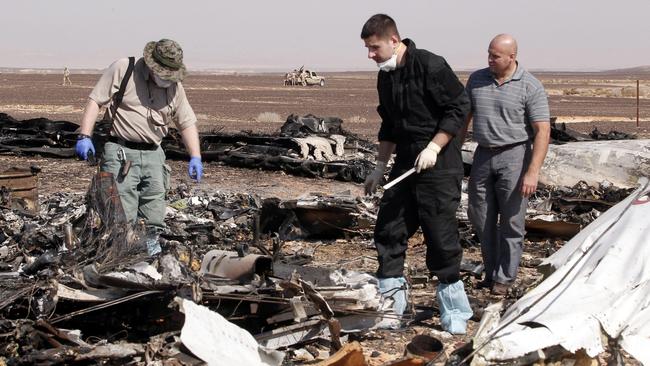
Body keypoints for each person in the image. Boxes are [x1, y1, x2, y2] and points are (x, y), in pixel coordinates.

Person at [361, 14, 472, 334]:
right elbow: (389, 125)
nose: (370, 55)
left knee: (441, 238)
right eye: (367, 49)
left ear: (394, 41)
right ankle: (392, 307)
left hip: (438, 164)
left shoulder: (430, 65)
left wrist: (436, 147)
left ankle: (454, 311)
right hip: (405, 164)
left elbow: (459, 107)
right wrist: (380, 167)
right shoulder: (386, 76)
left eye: (374, 47)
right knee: (389, 230)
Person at [75, 39, 203, 253]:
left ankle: (148, 256)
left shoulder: (174, 87)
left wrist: (196, 156)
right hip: (121, 153)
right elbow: (95, 101)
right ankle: (119, 257)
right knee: (120, 212)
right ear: (152, 65)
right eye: (163, 73)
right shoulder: (124, 69)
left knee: (154, 210)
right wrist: (84, 135)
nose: (167, 79)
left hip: (154, 155)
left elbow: (186, 122)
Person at [465, 34, 550, 296]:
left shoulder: (530, 86)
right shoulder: (477, 79)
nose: (490, 59)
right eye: (489, 54)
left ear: (512, 57)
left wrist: (532, 171)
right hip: (482, 154)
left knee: (512, 220)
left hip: (515, 155)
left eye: (496, 56)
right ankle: (490, 272)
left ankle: (505, 277)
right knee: (481, 217)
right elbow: (463, 119)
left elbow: (543, 131)